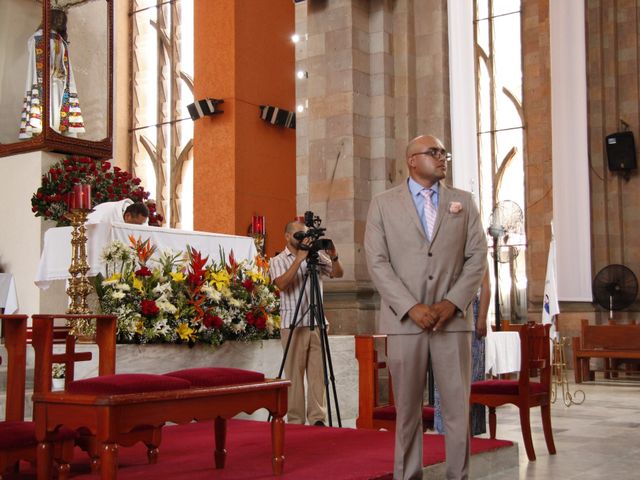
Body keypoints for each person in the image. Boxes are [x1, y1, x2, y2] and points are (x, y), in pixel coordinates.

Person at [364, 134, 487, 480]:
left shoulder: (463, 203)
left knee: (456, 408)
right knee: (407, 411)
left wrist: (453, 301)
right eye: (433, 152)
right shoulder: (383, 204)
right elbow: (376, 262)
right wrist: (410, 306)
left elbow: (477, 258)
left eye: (443, 152)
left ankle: (458, 476)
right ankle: (408, 475)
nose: (442, 157)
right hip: (405, 323)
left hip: (453, 321)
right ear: (412, 160)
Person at [269, 220, 344, 426]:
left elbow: (338, 273)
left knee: (318, 376)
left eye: (305, 235)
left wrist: (334, 256)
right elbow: (282, 285)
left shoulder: (316, 256)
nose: (302, 239)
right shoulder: (277, 260)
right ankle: (295, 420)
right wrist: (299, 259)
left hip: (317, 322)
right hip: (292, 323)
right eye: (298, 235)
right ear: (286, 236)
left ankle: (317, 418)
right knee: (294, 376)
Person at [434, 268, 490, 436]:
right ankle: (445, 429)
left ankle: (469, 429)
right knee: (444, 375)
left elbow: (486, 286)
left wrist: (482, 317)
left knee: (471, 376)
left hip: (470, 312)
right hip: (444, 312)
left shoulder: (475, 247)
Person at [19, 9, 85, 139]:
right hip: (44, 82)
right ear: (50, 19)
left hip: (59, 82)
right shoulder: (39, 37)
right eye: (58, 18)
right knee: (47, 105)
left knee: (58, 107)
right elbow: (36, 59)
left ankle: (57, 131)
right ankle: (45, 131)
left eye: (62, 20)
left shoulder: (60, 40)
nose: (60, 22)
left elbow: (65, 65)